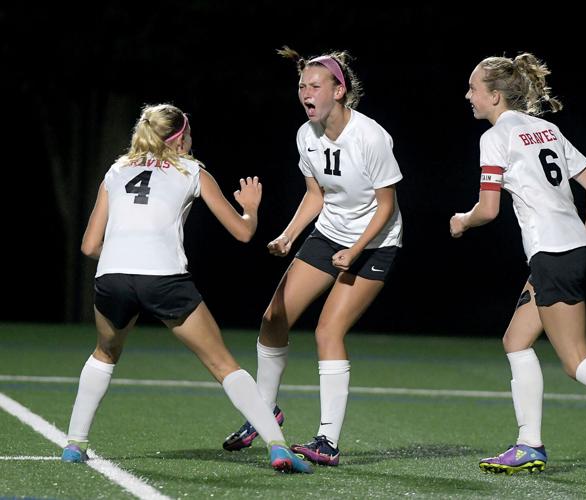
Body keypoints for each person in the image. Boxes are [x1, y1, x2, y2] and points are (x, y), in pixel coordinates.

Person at [61, 103, 312, 474]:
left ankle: (74, 445)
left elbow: (88, 247)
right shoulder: (192, 170)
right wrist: (252, 208)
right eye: (189, 133)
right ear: (179, 140)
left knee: (104, 353)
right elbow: (243, 233)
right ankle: (277, 446)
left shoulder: (116, 170)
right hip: (163, 278)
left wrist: (123, 256)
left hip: (111, 277)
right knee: (223, 363)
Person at [450, 53, 586, 474]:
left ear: (495, 96)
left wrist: (461, 221)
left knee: (577, 363)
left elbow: (487, 209)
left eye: (474, 89)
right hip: (563, 250)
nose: (468, 95)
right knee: (516, 340)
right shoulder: (546, 128)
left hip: (554, 254)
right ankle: (528, 444)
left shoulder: (496, 136)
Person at [221, 47, 403, 466]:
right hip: (330, 235)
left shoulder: (370, 137)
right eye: (302, 85)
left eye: (315, 85)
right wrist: (287, 235)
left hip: (375, 242)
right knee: (273, 317)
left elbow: (386, 206)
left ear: (339, 91)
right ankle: (263, 413)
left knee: (328, 331)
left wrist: (354, 252)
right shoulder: (307, 135)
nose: (306, 92)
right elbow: (315, 196)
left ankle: (327, 442)